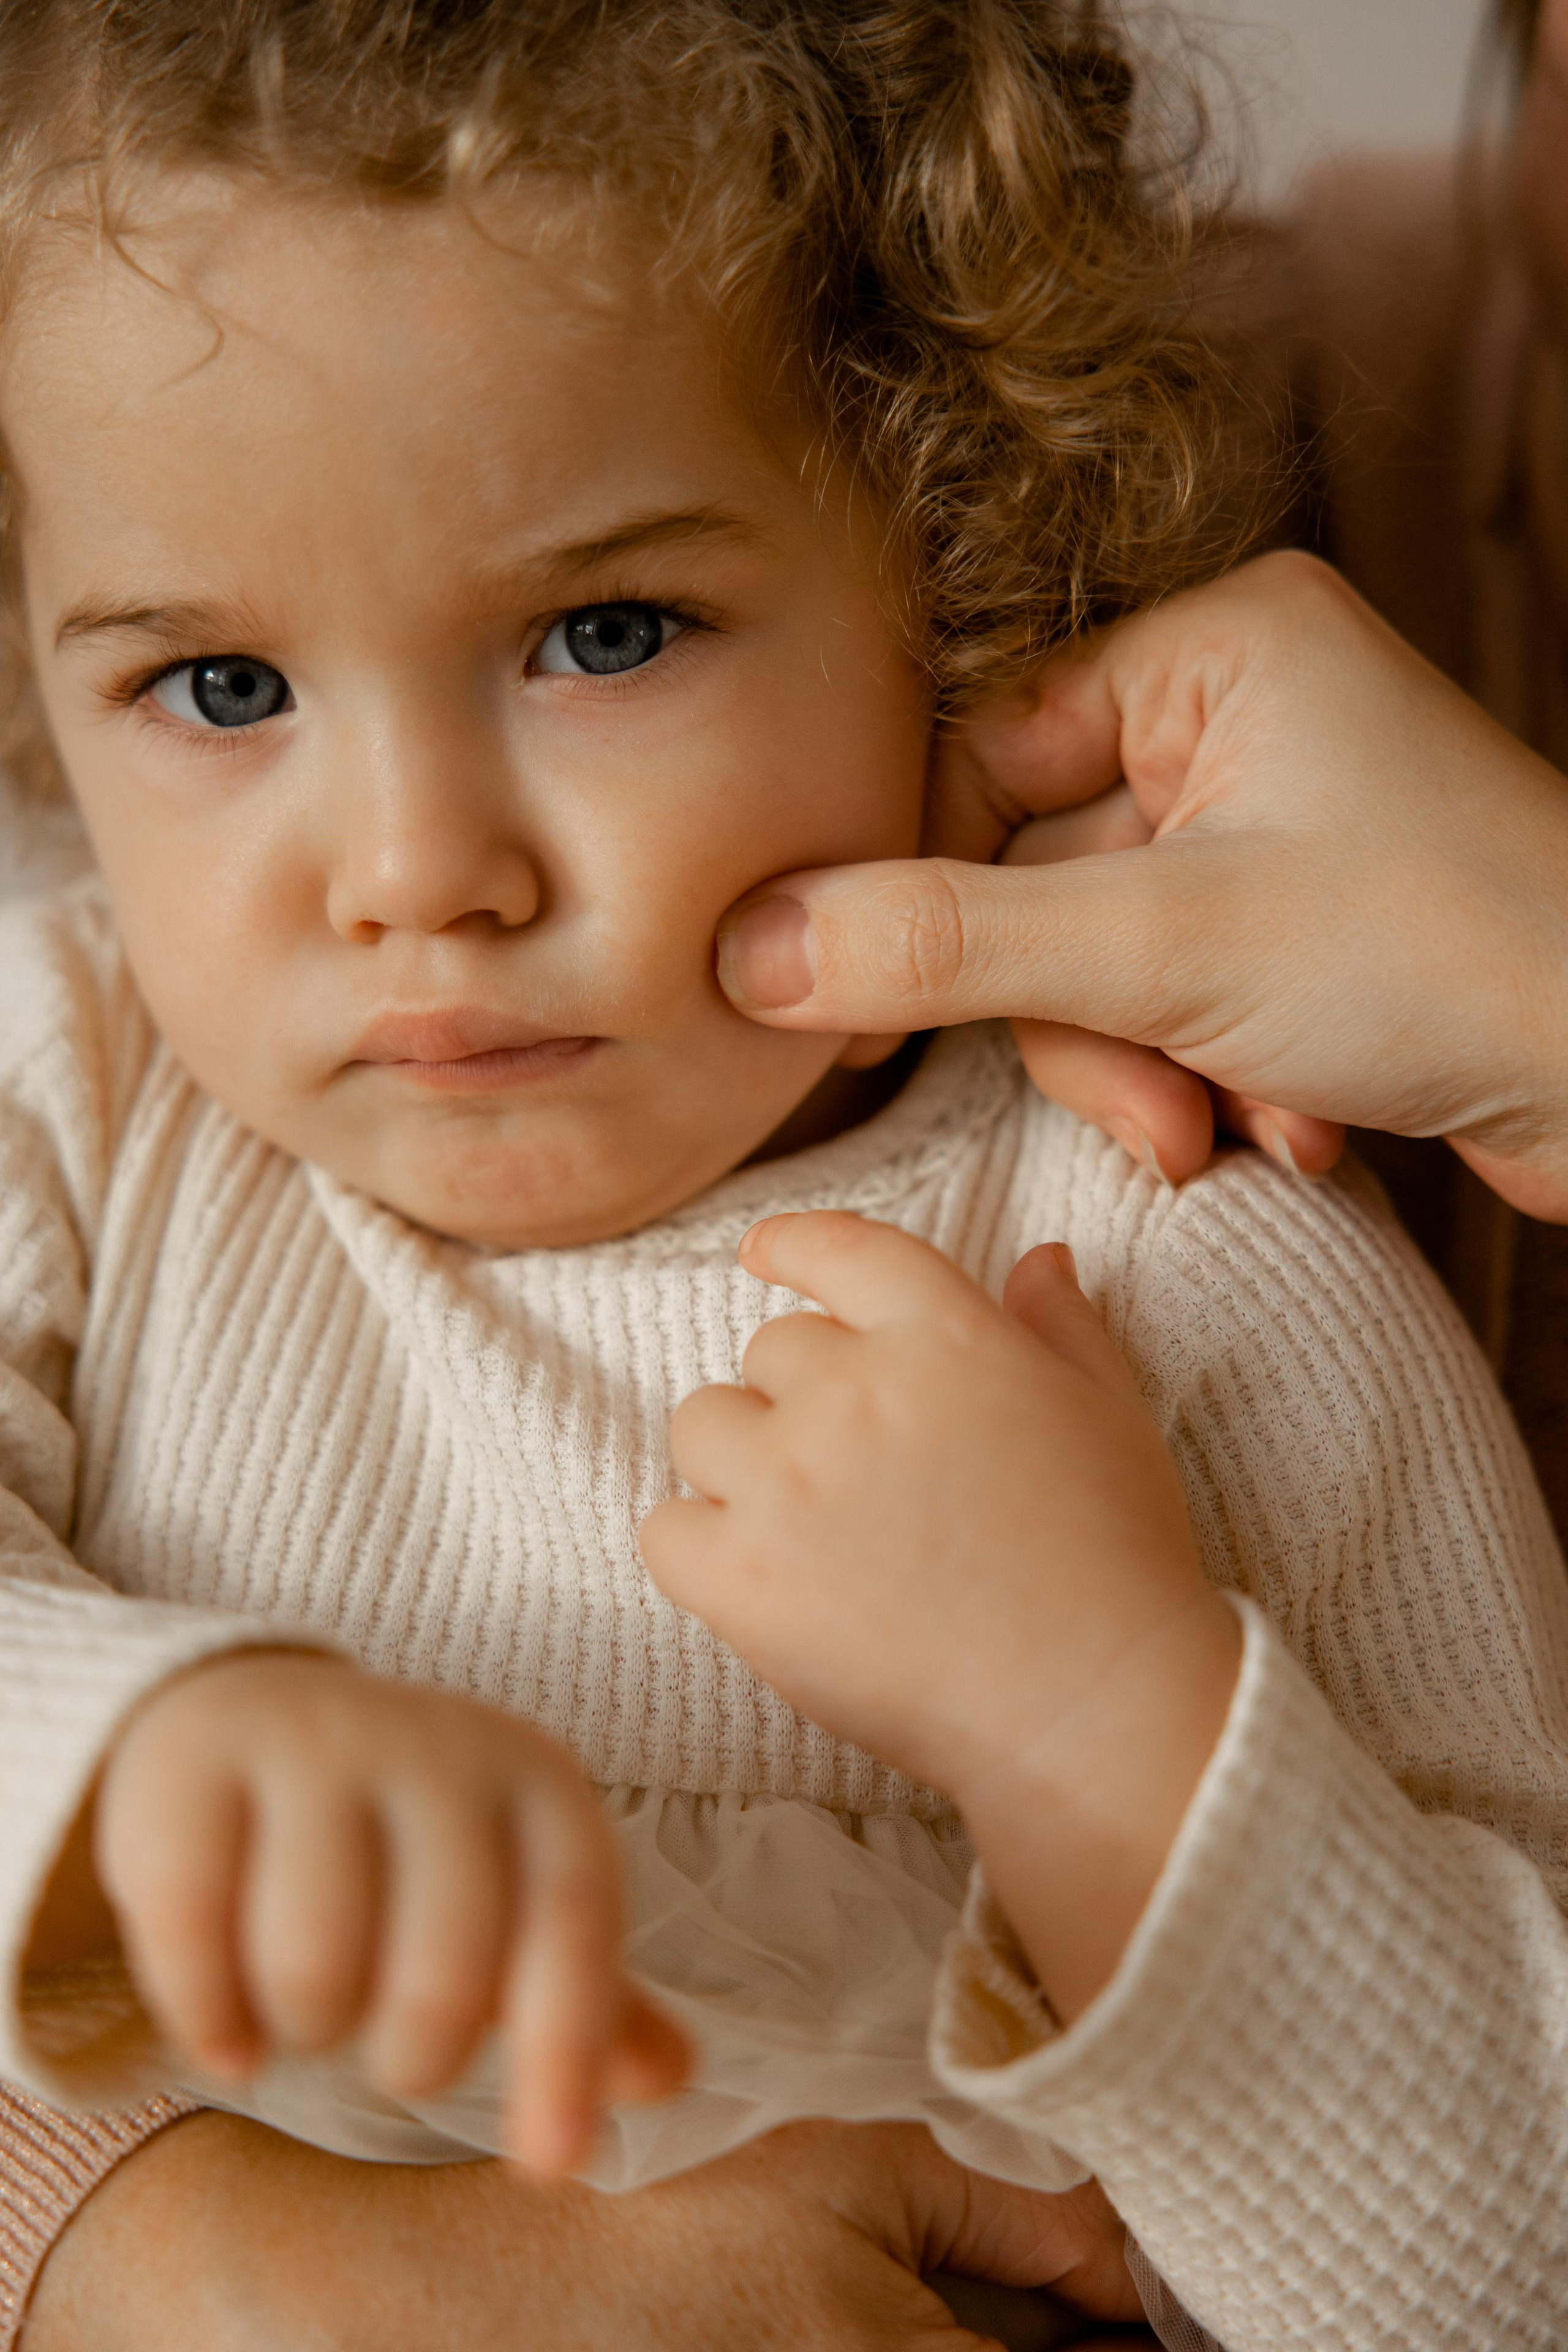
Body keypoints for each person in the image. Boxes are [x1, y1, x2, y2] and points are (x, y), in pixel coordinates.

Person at [0, 10, 1561, 2352]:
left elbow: (1511, 2271)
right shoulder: (78, 1089)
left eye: (603, 634)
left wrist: (1103, 1735)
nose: (421, 879)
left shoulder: (1185, 1255)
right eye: (219, 690)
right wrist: (120, 1740)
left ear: (961, 572)